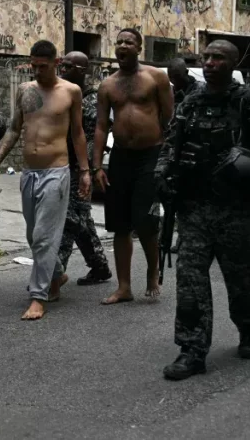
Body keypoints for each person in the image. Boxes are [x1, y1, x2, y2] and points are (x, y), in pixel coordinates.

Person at [156, 40, 250, 381]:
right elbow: (170, 144)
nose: (209, 63)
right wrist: (161, 171)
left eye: (217, 58)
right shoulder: (190, 102)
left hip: (237, 210)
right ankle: (192, 349)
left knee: (243, 281)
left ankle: (249, 329)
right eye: (206, 57)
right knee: (190, 280)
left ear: (232, 63)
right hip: (194, 208)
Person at [0, 41, 90, 320]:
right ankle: (56, 274)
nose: (37, 71)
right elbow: (14, 128)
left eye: (42, 66)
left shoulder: (71, 91)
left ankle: (38, 296)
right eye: (33, 66)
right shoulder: (25, 90)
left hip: (57, 171)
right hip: (29, 173)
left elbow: (78, 133)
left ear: (56, 64)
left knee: (44, 236)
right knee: (34, 236)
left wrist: (85, 171)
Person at [93, 28, 174, 304]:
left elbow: (169, 120)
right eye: (118, 42)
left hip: (150, 155)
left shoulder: (156, 78)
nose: (122, 46)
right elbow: (102, 126)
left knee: (146, 221)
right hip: (120, 157)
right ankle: (124, 286)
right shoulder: (108, 85)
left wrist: (169, 160)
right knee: (119, 224)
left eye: (128, 42)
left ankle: (152, 272)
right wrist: (96, 166)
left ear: (139, 48)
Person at [57, 50, 113, 285]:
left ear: (82, 70)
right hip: (60, 166)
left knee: (70, 220)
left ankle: (54, 274)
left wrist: (88, 169)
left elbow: (94, 137)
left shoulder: (91, 100)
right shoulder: (63, 94)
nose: (63, 70)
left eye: (69, 66)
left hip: (81, 170)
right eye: (62, 65)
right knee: (81, 219)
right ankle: (99, 266)